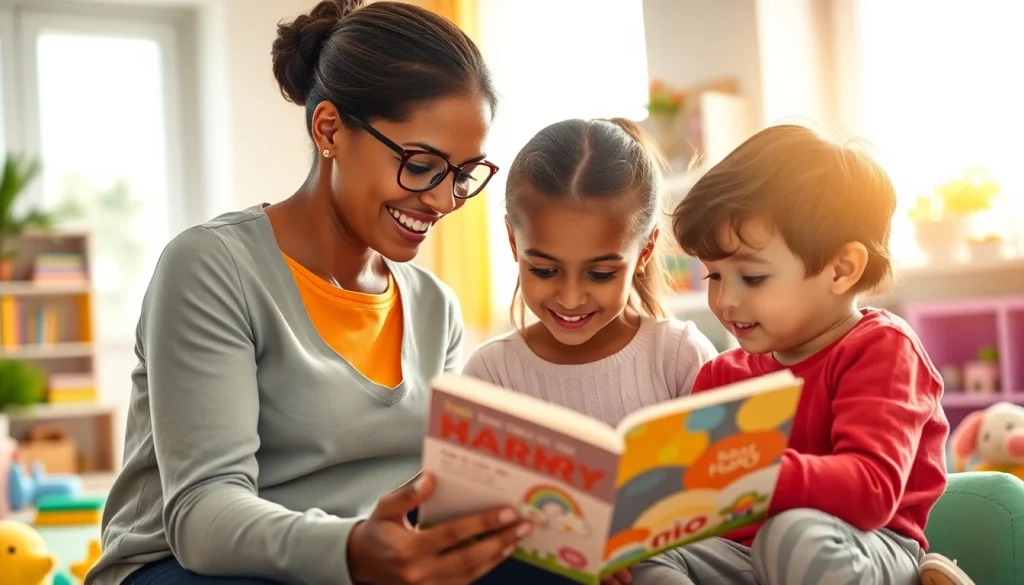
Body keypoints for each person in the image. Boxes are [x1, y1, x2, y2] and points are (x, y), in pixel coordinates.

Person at [85, 1, 533, 584]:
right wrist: (351, 549)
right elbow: (202, 515)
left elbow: (426, 494)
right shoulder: (213, 268)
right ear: (329, 130)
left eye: (464, 174)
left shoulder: (433, 307)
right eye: (422, 165)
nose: (444, 200)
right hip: (189, 567)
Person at [629, 124, 950, 585]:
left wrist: (752, 469)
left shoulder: (881, 349)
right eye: (714, 276)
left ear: (841, 270)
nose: (726, 301)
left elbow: (872, 491)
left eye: (752, 278)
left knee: (793, 536)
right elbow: (700, 507)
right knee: (649, 553)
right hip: (751, 557)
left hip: (866, 547)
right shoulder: (720, 375)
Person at [463, 118, 718, 585]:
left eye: (600, 274)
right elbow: (476, 524)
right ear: (513, 242)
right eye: (544, 269)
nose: (572, 298)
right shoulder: (491, 374)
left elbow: (716, 504)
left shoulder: (678, 355)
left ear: (644, 252)